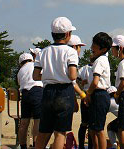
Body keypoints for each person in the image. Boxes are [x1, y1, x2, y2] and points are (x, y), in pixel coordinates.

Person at [33, 17, 79, 149]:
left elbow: (36, 76)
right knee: (60, 133)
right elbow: (72, 76)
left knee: (44, 131)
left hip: (48, 92)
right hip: (64, 92)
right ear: (67, 34)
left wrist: (49, 75)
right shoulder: (71, 52)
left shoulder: (43, 52)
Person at [84, 32, 112, 149]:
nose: (91, 47)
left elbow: (95, 82)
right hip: (98, 95)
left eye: (95, 45)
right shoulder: (100, 60)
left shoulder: (100, 60)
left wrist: (88, 94)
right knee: (93, 129)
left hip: (99, 95)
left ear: (103, 49)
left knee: (99, 129)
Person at [17, 52, 43, 149]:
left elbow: (19, 83)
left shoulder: (20, 71)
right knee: (37, 121)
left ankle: (23, 145)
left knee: (24, 122)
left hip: (25, 94)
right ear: (32, 59)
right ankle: (36, 145)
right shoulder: (35, 65)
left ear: (21, 62)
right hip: (37, 91)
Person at [78, 56, 95, 149]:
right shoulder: (84, 68)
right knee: (85, 123)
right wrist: (81, 83)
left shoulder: (96, 66)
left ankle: (89, 146)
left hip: (92, 94)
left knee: (89, 123)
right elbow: (76, 79)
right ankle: (82, 146)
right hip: (87, 94)